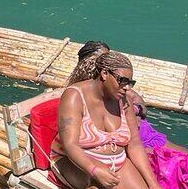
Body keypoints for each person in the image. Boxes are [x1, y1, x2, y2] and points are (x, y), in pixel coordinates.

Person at [68, 42, 188, 189]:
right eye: (101, 59)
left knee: (184, 153)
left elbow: (140, 104)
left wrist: (136, 109)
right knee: (170, 159)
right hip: (123, 142)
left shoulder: (121, 88)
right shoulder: (82, 91)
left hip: (142, 131)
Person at [50, 51, 162, 189]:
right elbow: (70, 145)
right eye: (122, 81)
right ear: (104, 74)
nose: (127, 87)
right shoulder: (75, 96)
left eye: (130, 83)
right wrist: (94, 169)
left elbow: (134, 144)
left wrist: (154, 184)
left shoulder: (124, 101)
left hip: (117, 163)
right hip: (77, 163)